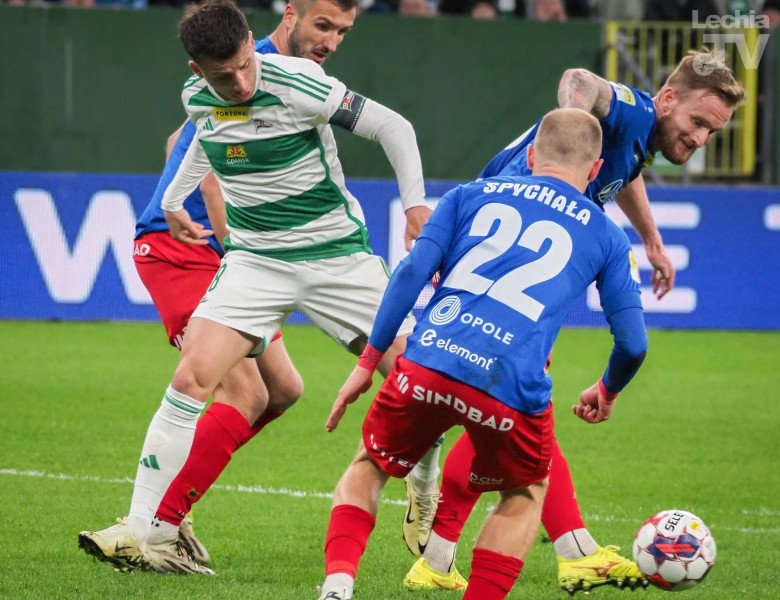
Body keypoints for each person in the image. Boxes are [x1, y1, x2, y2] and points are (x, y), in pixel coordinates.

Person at [78, 0, 431, 575]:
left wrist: (414, 205)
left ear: (251, 41)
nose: (240, 84)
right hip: (256, 261)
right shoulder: (199, 96)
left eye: (246, 65)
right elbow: (204, 134)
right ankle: (145, 531)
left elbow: (394, 126)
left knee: (417, 378)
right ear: (198, 71)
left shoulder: (300, 81)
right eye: (224, 76)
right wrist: (173, 200)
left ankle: (424, 482)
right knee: (192, 377)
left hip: (335, 256)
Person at [401, 47, 745, 594]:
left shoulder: (635, 135)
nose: (701, 138)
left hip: (507, 257)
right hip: (511, 258)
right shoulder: (632, 108)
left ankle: (441, 555)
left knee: (510, 410)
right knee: (517, 409)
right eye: (698, 122)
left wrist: (652, 239)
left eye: (713, 131)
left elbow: (623, 169)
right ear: (667, 99)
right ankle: (570, 551)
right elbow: (578, 80)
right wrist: (573, 139)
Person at [318, 107, 649, 600]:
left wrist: (368, 363)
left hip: (430, 363)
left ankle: (338, 586)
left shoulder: (468, 195)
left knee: (370, 464)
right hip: (510, 386)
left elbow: (409, 274)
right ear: (597, 168)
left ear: (531, 156)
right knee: (526, 491)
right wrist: (608, 389)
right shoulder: (607, 235)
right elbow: (633, 343)